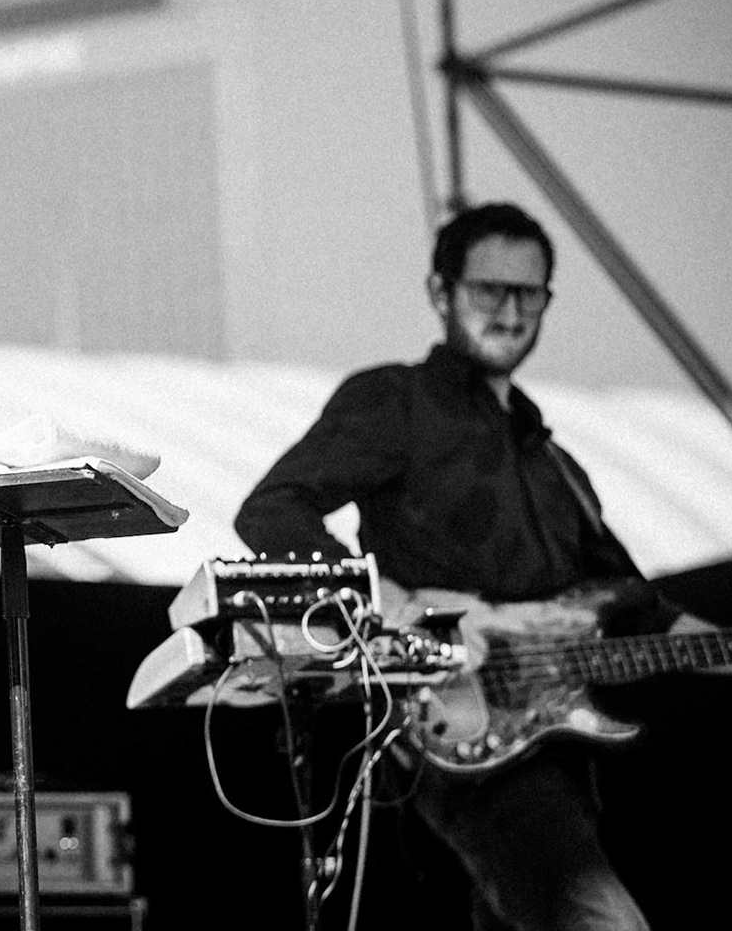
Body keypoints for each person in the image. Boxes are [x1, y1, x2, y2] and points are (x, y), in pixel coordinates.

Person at [234, 202, 675, 930]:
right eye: (487, 290)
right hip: (461, 726)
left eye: (527, 293)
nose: (509, 310)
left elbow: (643, 609)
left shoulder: (555, 461)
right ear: (441, 294)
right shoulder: (399, 400)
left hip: (561, 753)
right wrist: (395, 604)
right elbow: (274, 509)